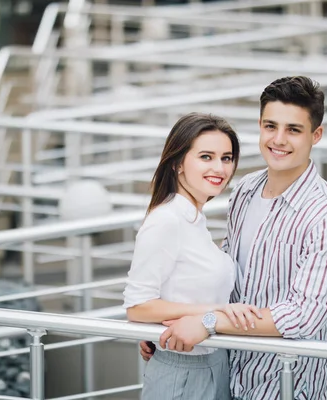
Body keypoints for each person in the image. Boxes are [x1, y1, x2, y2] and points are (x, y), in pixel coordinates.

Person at [141, 76, 327, 400]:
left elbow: (304, 315)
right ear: (259, 125)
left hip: (285, 385)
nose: (279, 140)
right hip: (228, 374)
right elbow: (228, 279)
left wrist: (209, 321)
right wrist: (172, 323)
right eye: (270, 126)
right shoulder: (245, 190)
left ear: (316, 135)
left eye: (293, 130)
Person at [123, 112, 263, 400]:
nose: (220, 168)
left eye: (226, 158)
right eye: (206, 157)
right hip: (182, 372)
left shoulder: (194, 220)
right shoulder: (167, 220)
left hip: (215, 363)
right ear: (177, 163)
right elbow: (137, 307)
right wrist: (213, 312)